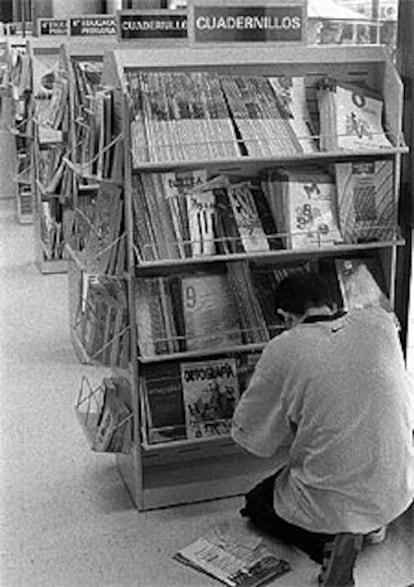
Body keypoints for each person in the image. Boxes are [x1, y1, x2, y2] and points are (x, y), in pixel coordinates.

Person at [231, 271, 414, 586]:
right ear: (335, 302)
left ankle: (334, 543)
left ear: (284, 316)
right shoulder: (381, 323)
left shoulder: (283, 348)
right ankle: (369, 528)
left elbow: (253, 440)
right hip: (398, 490)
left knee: (257, 502)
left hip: (333, 504)